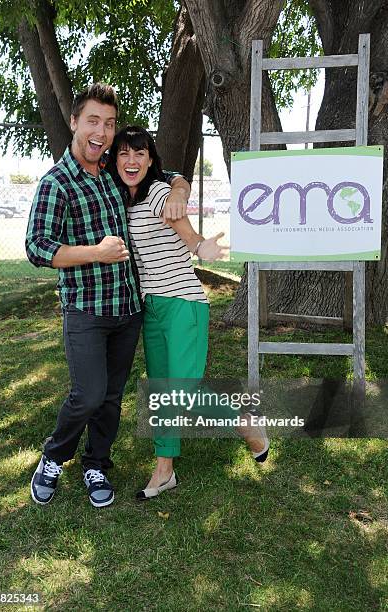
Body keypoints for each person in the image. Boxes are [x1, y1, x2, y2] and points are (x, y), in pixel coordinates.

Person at [26, 84, 191, 508]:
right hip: (85, 309)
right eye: (94, 121)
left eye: (110, 123)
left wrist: (179, 189)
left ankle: (96, 462)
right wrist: (96, 254)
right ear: (75, 122)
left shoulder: (115, 175)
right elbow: (37, 246)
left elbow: (164, 174)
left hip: (127, 310)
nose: (102, 132)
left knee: (112, 397)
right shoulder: (57, 183)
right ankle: (53, 456)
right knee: (89, 394)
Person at [109, 126, 269, 501]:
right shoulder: (124, 198)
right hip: (152, 307)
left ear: (151, 161)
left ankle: (246, 424)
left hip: (183, 304)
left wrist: (199, 245)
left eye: (140, 154)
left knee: (184, 389)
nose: (131, 162)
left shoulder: (160, 193)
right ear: (114, 159)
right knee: (162, 392)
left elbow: (181, 224)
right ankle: (165, 471)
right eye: (124, 154)